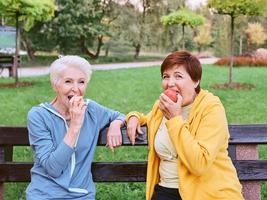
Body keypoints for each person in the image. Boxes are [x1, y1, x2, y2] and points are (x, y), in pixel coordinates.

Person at [126, 51, 244, 200]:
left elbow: (199, 164)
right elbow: (147, 118)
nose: (170, 83)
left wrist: (175, 119)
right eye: (165, 76)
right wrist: (134, 117)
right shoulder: (162, 107)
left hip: (208, 193)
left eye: (178, 76)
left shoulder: (211, 108)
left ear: (196, 81)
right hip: (166, 190)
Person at [26, 55, 124, 200]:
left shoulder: (91, 110)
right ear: (55, 85)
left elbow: (119, 115)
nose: (76, 89)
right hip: (44, 194)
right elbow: (53, 169)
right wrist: (75, 126)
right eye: (68, 81)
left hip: (82, 195)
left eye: (81, 82)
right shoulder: (38, 116)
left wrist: (116, 124)